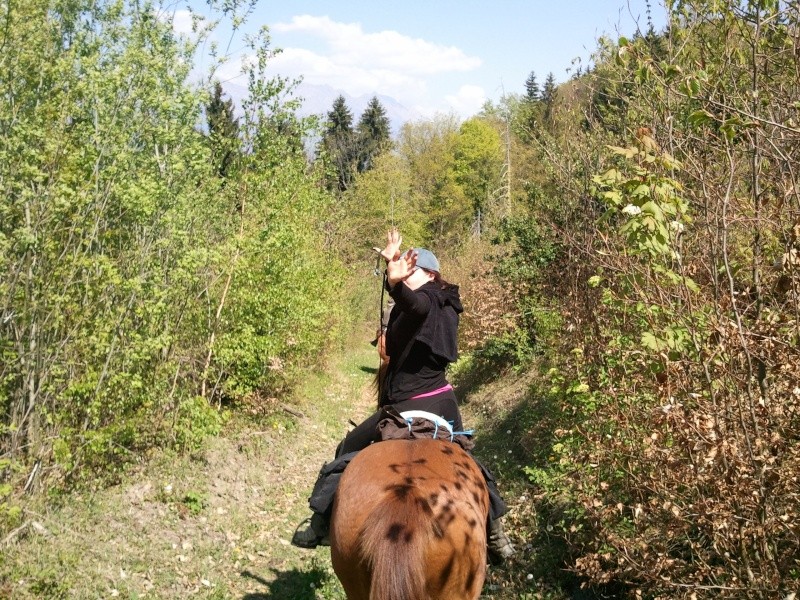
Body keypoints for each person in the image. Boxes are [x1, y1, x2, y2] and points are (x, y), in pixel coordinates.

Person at [291, 229, 515, 563]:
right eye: (405, 269)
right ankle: (495, 532)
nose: (407, 274)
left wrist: (396, 284)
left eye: (413, 269)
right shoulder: (439, 303)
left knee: (348, 447)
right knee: (467, 460)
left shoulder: (431, 299)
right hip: (442, 401)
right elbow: (410, 304)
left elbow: (416, 304)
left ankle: (319, 523)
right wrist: (395, 281)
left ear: (432, 275)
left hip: (404, 406)